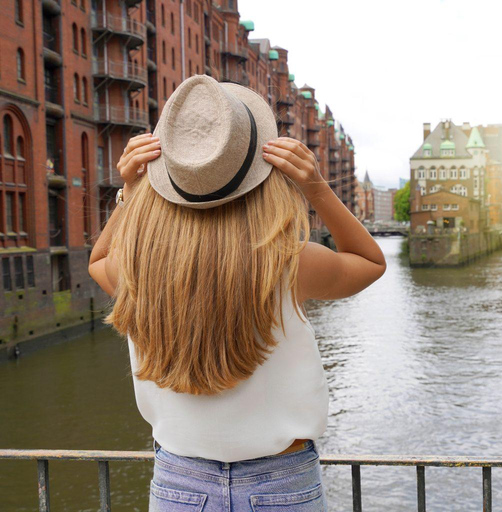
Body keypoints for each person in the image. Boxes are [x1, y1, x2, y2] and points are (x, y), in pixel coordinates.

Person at [88, 75, 386, 511]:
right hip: (282, 484)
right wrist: (316, 187)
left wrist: (131, 193)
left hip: (179, 483)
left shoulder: (138, 266)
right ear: (260, 172)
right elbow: (371, 263)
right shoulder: (285, 262)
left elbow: (98, 261)